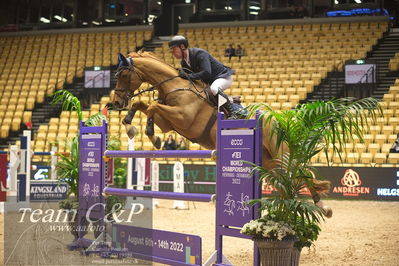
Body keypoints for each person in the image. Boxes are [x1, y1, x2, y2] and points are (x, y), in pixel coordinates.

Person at [168, 35, 246, 119]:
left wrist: (188, 76)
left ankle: (233, 112)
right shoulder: (184, 63)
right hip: (211, 81)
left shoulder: (199, 53)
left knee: (214, 89)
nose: (172, 53)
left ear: (182, 46)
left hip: (223, 76)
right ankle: (232, 101)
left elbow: (206, 73)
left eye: (174, 49)